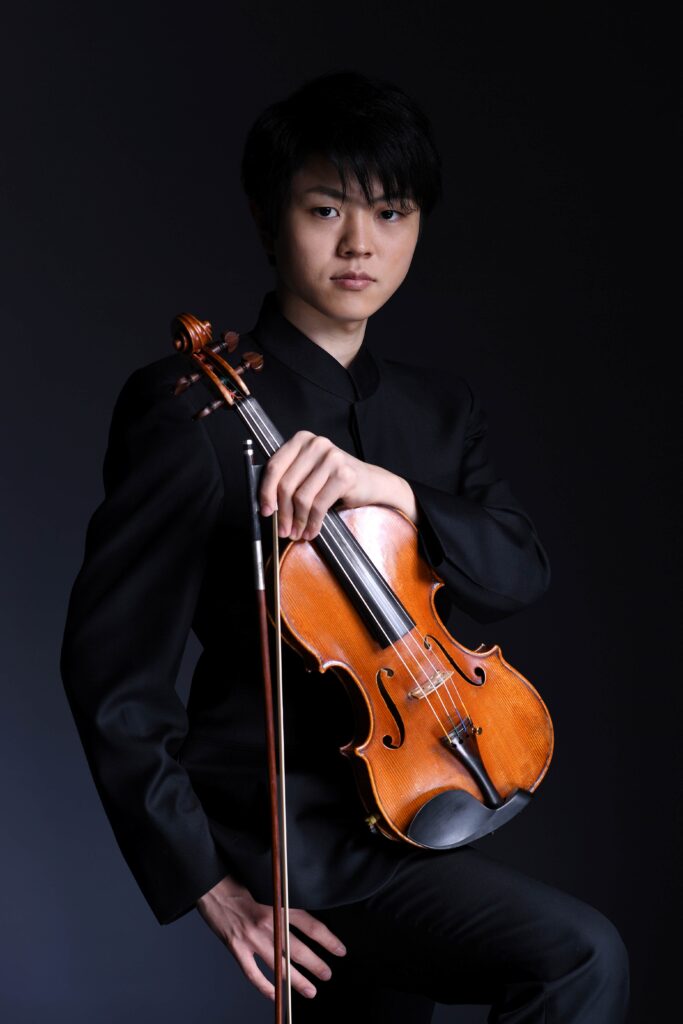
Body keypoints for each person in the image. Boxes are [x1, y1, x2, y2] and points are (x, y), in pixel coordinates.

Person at [61, 72, 629, 1022]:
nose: (360, 244)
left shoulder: (438, 410)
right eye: (325, 209)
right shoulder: (194, 414)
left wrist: (393, 491)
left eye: (390, 212)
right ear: (266, 217)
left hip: (417, 806)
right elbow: (112, 676)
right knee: (576, 957)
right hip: (293, 844)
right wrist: (206, 885)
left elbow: (517, 570)